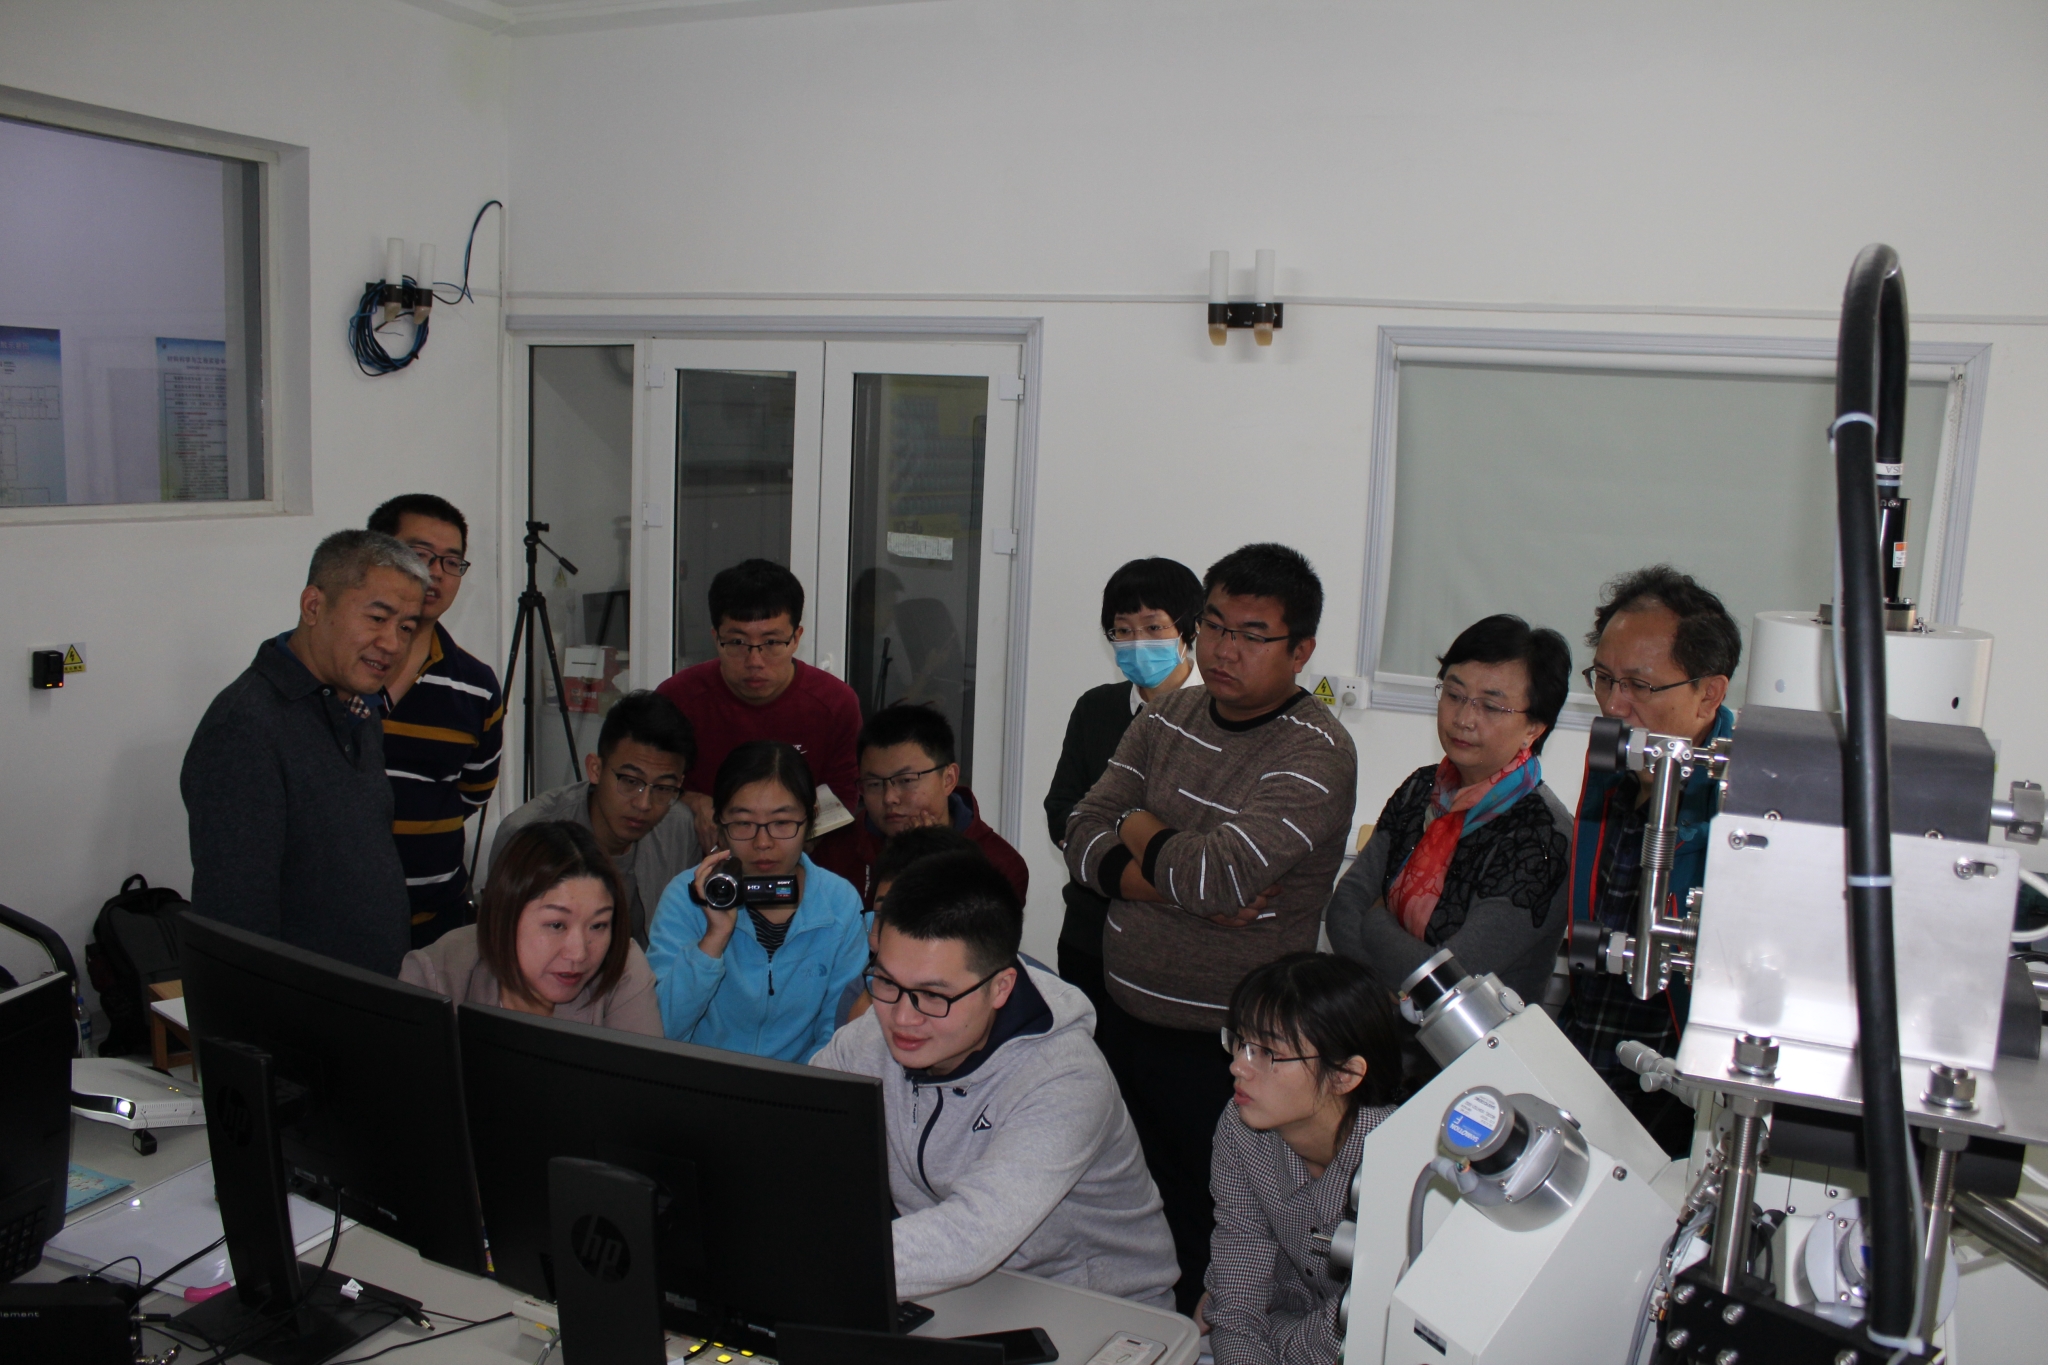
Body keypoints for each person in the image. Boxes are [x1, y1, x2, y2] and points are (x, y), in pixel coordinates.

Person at [1063, 543, 1357, 1313]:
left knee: (1218, 1236)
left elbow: (1218, 877)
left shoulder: (1316, 752)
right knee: (1126, 1209)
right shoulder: (1169, 716)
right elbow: (1083, 831)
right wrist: (1166, 872)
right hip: (1125, 1017)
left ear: (1301, 650)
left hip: (1231, 1053)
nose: (1225, 650)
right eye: (1216, 625)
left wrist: (1137, 825)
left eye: (1252, 635)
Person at [811, 851, 1178, 1308]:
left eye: (932, 995)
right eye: (887, 983)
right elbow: (793, 1131)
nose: (902, 1018)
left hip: (1096, 1308)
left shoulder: (1064, 1077)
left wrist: (805, 1261)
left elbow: (971, 1234)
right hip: (951, 1290)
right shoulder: (873, 1036)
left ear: (1000, 987)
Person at [182, 530, 428, 974]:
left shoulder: (356, 707)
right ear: (314, 606)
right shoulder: (244, 728)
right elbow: (237, 926)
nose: (393, 643)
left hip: (374, 993)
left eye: (406, 628)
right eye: (377, 618)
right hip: (301, 1008)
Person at [1557, 565, 1740, 1156]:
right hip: (1589, 1063)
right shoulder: (1616, 771)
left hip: (1677, 1098)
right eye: (1604, 679)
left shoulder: (1742, 807)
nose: (1615, 704)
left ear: (1708, 694)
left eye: (1639, 685)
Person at [1326, 615, 1574, 1010]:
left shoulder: (1544, 836)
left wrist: (1375, 922)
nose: (1463, 719)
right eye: (1454, 695)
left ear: (1534, 728)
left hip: (1476, 1040)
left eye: (1490, 706)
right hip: (1377, 1020)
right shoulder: (1422, 787)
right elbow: (1344, 905)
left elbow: (1454, 978)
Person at [1204, 953, 1403, 1365]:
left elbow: (1366, 1320)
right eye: (1240, 1042)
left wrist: (1273, 1340)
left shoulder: (1400, 1163)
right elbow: (1238, 1277)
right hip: (1284, 1324)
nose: (1238, 1066)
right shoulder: (1241, 1128)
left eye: (1267, 1053)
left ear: (1344, 1075)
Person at [1043, 557, 1205, 1013]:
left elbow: (1203, 838)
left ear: (1189, 629)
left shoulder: (1218, 716)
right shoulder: (1096, 708)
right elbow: (1062, 811)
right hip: (1090, 933)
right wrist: (1140, 856)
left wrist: (1104, 838)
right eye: (1123, 631)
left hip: (1181, 945)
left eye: (1153, 628)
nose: (1138, 643)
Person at [645, 740, 867, 1062]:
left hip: (799, 1085)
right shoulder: (687, 895)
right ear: (720, 824)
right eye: (743, 823)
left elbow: (837, 1034)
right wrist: (713, 940)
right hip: (696, 1082)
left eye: (782, 823)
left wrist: (798, 1087)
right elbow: (659, 1031)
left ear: (811, 819)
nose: (763, 842)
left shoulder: (839, 903)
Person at [368, 494, 504, 948]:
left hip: (436, 924)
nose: (436, 573)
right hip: (336, 922)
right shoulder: (337, 671)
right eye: (420, 554)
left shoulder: (475, 685)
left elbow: (472, 792)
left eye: (451, 561)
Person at [655, 559, 863, 851]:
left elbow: (842, 800)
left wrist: (776, 844)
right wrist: (690, 800)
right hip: (698, 858)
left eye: (772, 643)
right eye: (737, 642)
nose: (754, 661)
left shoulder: (835, 704)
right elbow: (649, 784)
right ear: (716, 638)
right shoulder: (677, 699)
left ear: (796, 639)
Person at [400, 821, 660, 1035]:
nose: (579, 953)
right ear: (505, 916)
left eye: (598, 925)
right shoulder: (435, 976)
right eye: (557, 925)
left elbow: (642, 1081)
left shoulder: (623, 968)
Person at [491, 691, 700, 945]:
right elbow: (501, 945)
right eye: (630, 781)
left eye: (663, 788)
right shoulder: (525, 835)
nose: (644, 804)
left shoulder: (680, 828)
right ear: (595, 769)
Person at [813, 702, 1029, 910]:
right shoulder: (835, 852)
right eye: (874, 784)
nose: (889, 798)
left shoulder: (998, 864)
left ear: (948, 779)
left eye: (906, 780)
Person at [835, 824, 983, 1027]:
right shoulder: (859, 994)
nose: (889, 938)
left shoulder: (1020, 1006)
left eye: (912, 918)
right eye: (882, 915)